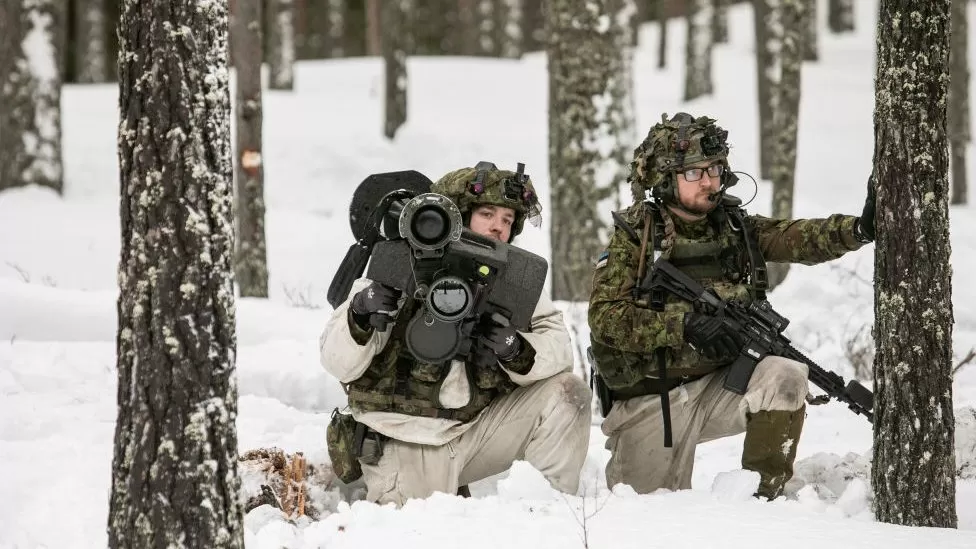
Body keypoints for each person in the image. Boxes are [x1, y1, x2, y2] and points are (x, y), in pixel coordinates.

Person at [588, 113, 876, 500]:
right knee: (647, 514)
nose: (709, 181)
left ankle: (763, 498)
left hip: (719, 389)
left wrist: (858, 229)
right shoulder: (637, 236)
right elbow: (605, 317)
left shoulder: (735, 226)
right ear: (665, 179)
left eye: (715, 168)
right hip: (654, 401)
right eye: (694, 173)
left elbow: (795, 238)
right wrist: (683, 326)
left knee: (787, 374)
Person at [320, 162, 592, 506]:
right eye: (488, 214)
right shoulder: (397, 262)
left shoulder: (513, 281)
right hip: (403, 437)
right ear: (459, 214)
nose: (497, 228)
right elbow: (336, 361)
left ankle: (549, 516)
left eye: (507, 220)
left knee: (569, 395)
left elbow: (560, 348)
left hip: (471, 434)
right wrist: (360, 312)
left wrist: (515, 349)